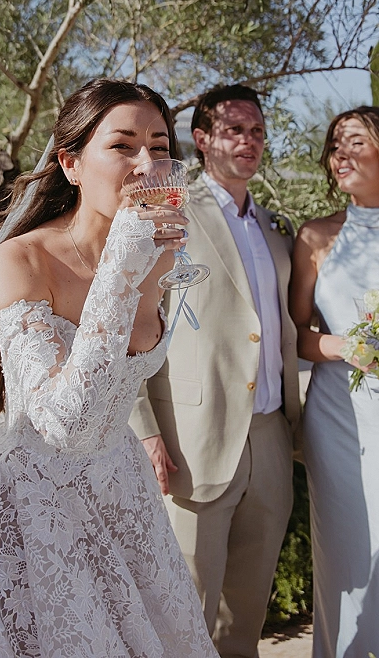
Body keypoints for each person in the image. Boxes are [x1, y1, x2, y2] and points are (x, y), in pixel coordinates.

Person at [0, 79, 218, 658]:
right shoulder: (21, 259)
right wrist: (123, 269)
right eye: (123, 145)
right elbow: (66, 423)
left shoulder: (161, 253)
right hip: (33, 503)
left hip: (120, 489)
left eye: (160, 147)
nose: (146, 163)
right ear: (71, 164)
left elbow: (126, 375)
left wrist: (144, 263)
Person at [130, 84, 301, 658]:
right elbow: (127, 322)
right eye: (234, 129)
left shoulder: (275, 228)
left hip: (272, 438)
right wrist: (147, 432)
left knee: (245, 617)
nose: (249, 141)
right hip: (193, 444)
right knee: (185, 616)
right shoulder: (170, 212)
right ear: (202, 140)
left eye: (256, 131)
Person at [289, 106, 379, 658]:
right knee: (348, 551)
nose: (339, 156)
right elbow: (297, 336)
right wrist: (349, 346)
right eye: (334, 147)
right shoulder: (317, 237)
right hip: (340, 418)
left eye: (354, 143)